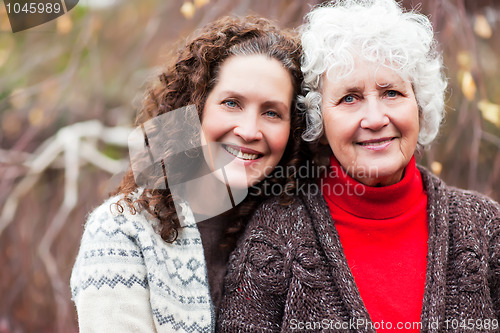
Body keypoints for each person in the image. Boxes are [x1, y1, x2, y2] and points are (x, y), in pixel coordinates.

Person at [217, 1, 500, 332]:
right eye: (349, 98)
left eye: (392, 92)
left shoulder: (486, 229)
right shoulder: (274, 236)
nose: (376, 119)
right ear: (317, 118)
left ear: (420, 106)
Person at [70, 15, 304, 332]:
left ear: (294, 129)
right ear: (195, 109)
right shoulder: (121, 231)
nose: (249, 131)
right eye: (232, 103)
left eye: (272, 112)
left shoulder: (296, 230)